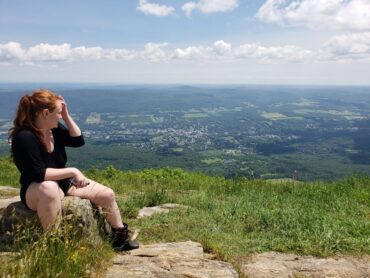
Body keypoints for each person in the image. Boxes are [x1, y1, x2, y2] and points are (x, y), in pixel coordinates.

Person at [8, 89, 139, 251]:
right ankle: (54, 243)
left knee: (108, 194)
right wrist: (73, 171)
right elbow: (37, 173)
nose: (60, 115)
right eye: (58, 112)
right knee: (49, 188)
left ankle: (120, 237)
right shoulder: (24, 137)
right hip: (36, 189)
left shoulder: (53, 130)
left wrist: (66, 116)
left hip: (63, 184)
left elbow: (78, 140)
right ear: (45, 113)